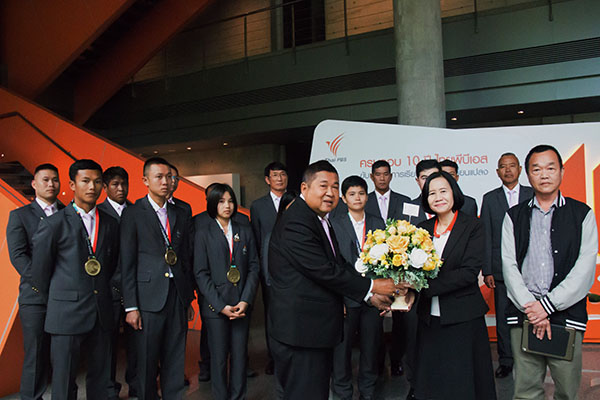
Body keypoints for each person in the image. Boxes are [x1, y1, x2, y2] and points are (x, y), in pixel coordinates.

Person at [267, 160, 403, 400]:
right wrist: (373, 285)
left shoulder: (320, 219)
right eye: (323, 186)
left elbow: (338, 263)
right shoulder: (297, 221)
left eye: (334, 186)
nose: (330, 193)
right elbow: (324, 270)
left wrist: (370, 297)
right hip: (301, 332)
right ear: (304, 188)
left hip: (313, 330)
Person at [502, 145, 597, 400]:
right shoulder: (513, 216)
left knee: (567, 391)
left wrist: (546, 306)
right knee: (526, 391)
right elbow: (509, 266)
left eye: (550, 168)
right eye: (536, 169)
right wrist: (532, 308)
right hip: (524, 315)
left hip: (566, 316)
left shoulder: (582, 214)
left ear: (562, 172)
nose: (544, 174)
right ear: (528, 175)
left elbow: (585, 269)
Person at [31, 159, 120, 400]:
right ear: (72, 184)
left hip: (101, 313)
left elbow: (113, 265)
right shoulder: (54, 224)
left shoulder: (110, 223)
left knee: (101, 380)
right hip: (65, 315)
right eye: (86, 181)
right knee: (64, 382)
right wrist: (61, 301)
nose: (92, 187)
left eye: (97, 182)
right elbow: (39, 274)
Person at [414, 171, 496, 400]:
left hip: (463, 317)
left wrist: (425, 287)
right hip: (429, 318)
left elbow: (468, 273)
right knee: (433, 379)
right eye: (431, 193)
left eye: (443, 191)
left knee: (461, 380)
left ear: (454, 193)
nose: (438, 197)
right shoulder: (421, 229)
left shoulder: (472, 226)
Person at [120, 157, 195, 400]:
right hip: (147, 298)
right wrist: (131, 306)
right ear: (145, 180)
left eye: (169, 177)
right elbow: (127, 262)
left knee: (175, 358)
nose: (166, 182)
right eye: (159, 177)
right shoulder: (133, 213)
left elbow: (185, 257)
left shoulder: (179, 212)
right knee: (147, 360)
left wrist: (188, 297)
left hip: (176, 295)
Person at [193, 183, 260, 400]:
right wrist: (220, 305)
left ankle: (238, 396)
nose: (227, 206)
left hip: (241, 304)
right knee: (219, 359)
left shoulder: (244, 230)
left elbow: (254, 266)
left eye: (231, 201)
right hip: (216, 307)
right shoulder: (203, 232)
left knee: (239, 357)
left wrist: (246, 300)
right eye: (221, 201)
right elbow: (200, 273)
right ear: (213, 203)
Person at [6, 163, 63, 400]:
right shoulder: (20, 215)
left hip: (66, 296)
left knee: (63, 355)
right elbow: (18, 256)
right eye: (45, 180)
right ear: (34, 184)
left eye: (55, 180)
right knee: (36, 354)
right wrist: (44, 281)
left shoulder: (69, 213)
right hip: (35, 296)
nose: (51, 184)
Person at [330, 176, 386, 400]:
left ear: (367, 196)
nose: (357, 198)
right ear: (344, 198)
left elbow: (386, 261)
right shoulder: (334, 224)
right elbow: (333, 265)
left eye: (361, 193)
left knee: (370, 348)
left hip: (374, 297)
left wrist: (384, 294)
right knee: (341, 350)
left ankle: (368, 391)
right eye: (352, 194)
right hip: (346, 297)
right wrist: (338, 298)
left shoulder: (378, 223)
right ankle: (343, 392)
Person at [480, 153, 533, 379]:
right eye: (503, 166)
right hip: (501, 269)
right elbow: (487, 235)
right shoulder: (490, 198)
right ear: (497, 172)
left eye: (512, 166)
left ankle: (531, 359)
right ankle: (506, 360)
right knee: (503, 318)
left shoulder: (532, 194)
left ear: (520, 169)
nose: (508, 170)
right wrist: (488, 270)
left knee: (530, 315)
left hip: (531, 268)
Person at [365, 159, 412, 377]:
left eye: (386, 174)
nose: (382, 178)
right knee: (375, 316)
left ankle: (396, 360)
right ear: (372, 177)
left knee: (400, 317)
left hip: (400, 266)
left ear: (391, 176)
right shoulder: (364, 201)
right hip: (373, 267)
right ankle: (377, 362)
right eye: (378, 174)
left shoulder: (405, 201)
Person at [97, 166, 138, 398]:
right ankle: (109, 388)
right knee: (107, 344)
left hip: (135, 288)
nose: (121, 189)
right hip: (108, 288)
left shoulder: (137, 211)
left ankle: (137, 384)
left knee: (136, 342)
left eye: (124, 184)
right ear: (105, 187)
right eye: (115, 184)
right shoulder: (98, 212)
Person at [250, 161, 288, 375]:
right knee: (271, 315)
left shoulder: (297, 201)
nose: (280, 178)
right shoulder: (258, 206)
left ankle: (292, 355)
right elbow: (256, 238)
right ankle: (274, 357)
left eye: (283, 174)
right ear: (267, 179)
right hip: (269, 272)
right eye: (275, 175)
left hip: (293, 270)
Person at [408, 159, 441, 225]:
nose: (429, 181)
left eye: (433, 177)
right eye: (424, 178)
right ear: (418, 181)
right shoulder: (410, 208)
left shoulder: (451, 204)